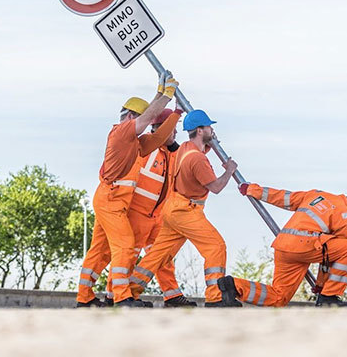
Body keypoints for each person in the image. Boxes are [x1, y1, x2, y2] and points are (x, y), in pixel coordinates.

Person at [76, 71, 181, 308]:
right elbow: (149, 118)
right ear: (132, 116)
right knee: (125, 245)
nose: (145, 124)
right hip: (111, 201)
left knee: (100, 251)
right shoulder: (122, 132)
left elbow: (157, 139)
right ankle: (122, 297)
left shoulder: (134, 142)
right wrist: (167, 95)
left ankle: (85, 298)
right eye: (141, 119)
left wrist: (173, 112)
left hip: (110, 201)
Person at [128, 109, 242, 307]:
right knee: (216, 246)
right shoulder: (197, 159)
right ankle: (216, 298)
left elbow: (197, 153)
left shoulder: (186, 149)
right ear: (199, 130)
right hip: (186, 211)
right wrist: (229, 171)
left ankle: (128, 292)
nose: (211, 129)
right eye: (208, 127)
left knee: (157, 256)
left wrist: (209, 143)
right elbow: (215, 187)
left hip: (172, 208)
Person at [217, 184, 347, 307]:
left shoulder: (318, 195)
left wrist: (252, 189)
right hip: (306, 247)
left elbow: (285, 197)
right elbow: (330, 258)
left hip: (283, 246)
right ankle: (329, 298)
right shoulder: (345, 218)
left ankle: (234, 286)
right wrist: (323, 289)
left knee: (279, 297)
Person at [102, 108, 197, 307]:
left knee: (161, 257)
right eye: (172, 129)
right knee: (127, 254)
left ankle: (172, 295)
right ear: (162, 129)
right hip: (137, 213)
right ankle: (113, 296)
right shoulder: (145, 148)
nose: (175, 133)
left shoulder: (170, 152)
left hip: (157, 216)